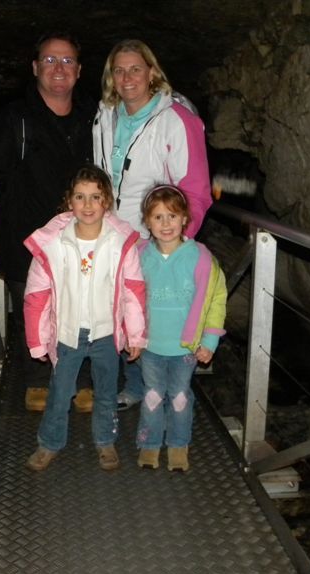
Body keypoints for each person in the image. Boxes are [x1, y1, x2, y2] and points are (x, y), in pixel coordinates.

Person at [0, 32, 96, 412]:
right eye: (51, 60)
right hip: (28, 236)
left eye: (67, 61)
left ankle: (82, 378)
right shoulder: (13, 119)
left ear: (79, 70)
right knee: (34, 310)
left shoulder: (95, 115)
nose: (59, 68)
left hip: (83, 235)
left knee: (84, 308)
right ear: (36, 67)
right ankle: (38, 379)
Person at [92, 39, 213, 411]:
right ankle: (129, 384)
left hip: (152, 239)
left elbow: (195, 190)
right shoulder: (105, 114)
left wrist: (174, 246)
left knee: (151, 314)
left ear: (152, 73)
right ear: (111, 77)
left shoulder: (176, 118)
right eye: (119, 69)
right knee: (119, 312)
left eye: (135, 69)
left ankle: (156, 388)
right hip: (110, 233)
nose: (127, 77)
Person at [23, 165, 147, 471]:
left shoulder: (121, 241)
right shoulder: (53, 243)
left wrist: (135, 335)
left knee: (106, 393)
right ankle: (49, 443)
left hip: (106, 332)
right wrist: (37, 341)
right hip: (67, 333)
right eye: (80, 197)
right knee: (60, 394)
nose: (88, 205)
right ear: (70, 202)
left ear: (107, 201)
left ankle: (105, 442)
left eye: (95, 197)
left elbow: (133, 291)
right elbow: (37, 295)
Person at [135, 185, 227, 472]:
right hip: (150, 345)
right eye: (158, 217)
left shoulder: (200, 257)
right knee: (152, 395)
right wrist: (131, 334)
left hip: (185, 346)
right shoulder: (139, 255)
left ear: (185, 218)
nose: (166, 224)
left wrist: (209, 341)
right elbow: (127, 297)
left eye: (172, 216)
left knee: (179, 396)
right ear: (147, 221)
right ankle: (149, 444)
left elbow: (216, 299)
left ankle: (178, 443)